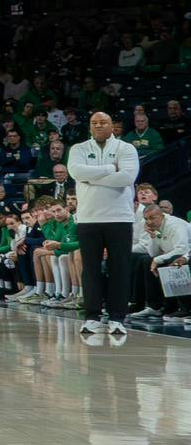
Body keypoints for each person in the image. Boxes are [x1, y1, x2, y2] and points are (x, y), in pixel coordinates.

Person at [68, 109, 139, 336]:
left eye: (103, 122)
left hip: (120, 216)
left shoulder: (126, 148)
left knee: (119, 268)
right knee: (90, 269)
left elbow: (127, 178)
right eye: (94, 122)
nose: (98, 125)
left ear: (112, 126)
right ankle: (92, 316)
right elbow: (76, 171)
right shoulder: (78, 149)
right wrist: (110, 169)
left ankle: (117, 317)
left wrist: (91, 177)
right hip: (88, 217)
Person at [130, 203, 190, 324]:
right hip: (171, 254)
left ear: (162, 215)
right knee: (145, 260)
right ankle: (154, 306)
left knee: (175, 260)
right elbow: (152, 253)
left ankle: (186, 309)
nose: (149, 222)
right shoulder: (155, 228)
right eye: (146, 219)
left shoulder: (174, 225)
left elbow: (182, 249)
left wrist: (157, 260)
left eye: (152, 218)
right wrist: (153, 236)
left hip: (185, 254)